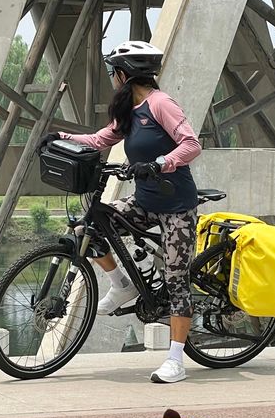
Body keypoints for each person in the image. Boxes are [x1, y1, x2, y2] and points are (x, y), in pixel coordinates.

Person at [44, 40, 202, 384]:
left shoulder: (161, 104)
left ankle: (176, 361)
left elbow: (191, 144)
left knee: (176, 280)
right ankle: (122, 284)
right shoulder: (130, 109)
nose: (111, 77)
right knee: (89, 228)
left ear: (123, 74)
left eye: (113, 71)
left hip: (176, 206)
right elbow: (102, 139)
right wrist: (61, 137)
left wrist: (161, 163)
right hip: (145, 203)